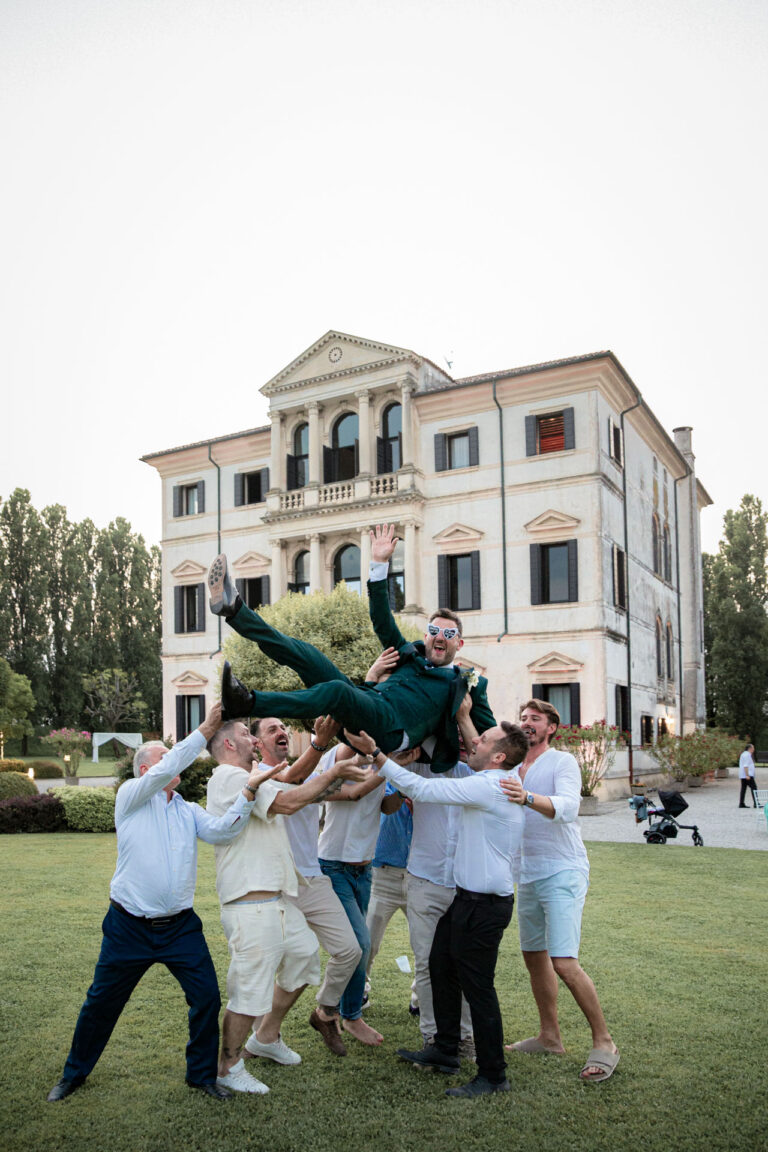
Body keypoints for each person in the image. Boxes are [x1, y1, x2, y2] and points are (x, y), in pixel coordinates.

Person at [47, 703, 279, 1104]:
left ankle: (202, 1076)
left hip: (180, 928)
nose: (173, 765)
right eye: (162, 760)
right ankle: (73, 1074)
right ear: (145, 772)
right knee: (101, 1002)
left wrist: (249, 791)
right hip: (128, 927)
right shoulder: (131, 799)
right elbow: (171, 762)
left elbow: (223, 833)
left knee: (206, 997)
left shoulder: (187, 811)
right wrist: (206, 728)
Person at [207, 523, 495, 773]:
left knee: (336, 691)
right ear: (426, 634)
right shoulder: (409, 654)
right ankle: (234, 610)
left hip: (391, 730)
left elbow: (492, 735)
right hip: (365, 705)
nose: (439, 637)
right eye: (434, 631)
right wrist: (380, 564)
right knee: (308, 656)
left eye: (448, 633)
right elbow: (382, 620)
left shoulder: (469, 684)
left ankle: (245, 702)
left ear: (459, 642)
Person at [346, 721, 528, 1099]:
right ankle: (444, 1048)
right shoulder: (492, 781)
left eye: (484, 740)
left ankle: (493, 1074)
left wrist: (379, 755)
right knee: (440, 965)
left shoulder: (490, 784)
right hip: (465, 898)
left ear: (498, 756)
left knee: (478, 988)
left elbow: (423, 787)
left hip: (486, 905)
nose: (473, 741)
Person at [205, 719, 368, 1093]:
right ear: (229, 745)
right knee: (249, 990)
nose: (252, 738)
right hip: (250, 903)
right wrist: (333, 773)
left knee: (304, 955)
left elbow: (295, 781)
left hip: (277, 900)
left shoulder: (256, 776)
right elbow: (292, 801)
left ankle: (265, 1037)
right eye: (247, 734)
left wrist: (329, 764)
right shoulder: (230, 778)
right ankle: (228, 1067)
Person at [497, 699, 620, 1084]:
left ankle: (605, 1043)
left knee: (563, 962)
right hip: (527, 873)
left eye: (534, 719)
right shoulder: (513, 765)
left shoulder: (562, 762)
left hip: (563, 870)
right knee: (534, 956)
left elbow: (569, 806)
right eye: (523, 719)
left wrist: (527, 798)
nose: (526, 723)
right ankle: (550, 1037)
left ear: (551, 727)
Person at [244, 713, 365, 1058]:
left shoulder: (308, 772)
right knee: (283, 961)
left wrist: (390, 765)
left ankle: (325, 1012)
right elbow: (292, 778)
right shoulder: (255, 776)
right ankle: (262, 1035)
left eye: (283, 727)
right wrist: (319, 743)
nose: (281, 731)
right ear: (257, 743)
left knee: (350, 950)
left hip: (313, 879)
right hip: (277, 886)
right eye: (272, 729)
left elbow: (352, 791)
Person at [314, 739, 404, 1046]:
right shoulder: (340, 754)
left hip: (364, 868)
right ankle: (345, 1015)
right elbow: (356, 792)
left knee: (356, 947)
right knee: (360, 944)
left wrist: (401, 783)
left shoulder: (384, 759)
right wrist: (392, 765)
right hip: (335, 864)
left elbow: (386, 806)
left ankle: (341, 1012)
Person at [738, 744, 758, 808]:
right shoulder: (747, 755)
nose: (754, 749)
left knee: (743, 789)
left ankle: (741, 803)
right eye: (753, 748)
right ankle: (756, 803)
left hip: (743, 775)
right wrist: (747, 775)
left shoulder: (744, 754)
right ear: (750, 748)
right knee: (754, 788)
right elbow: (746, 766)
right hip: (747, 775)